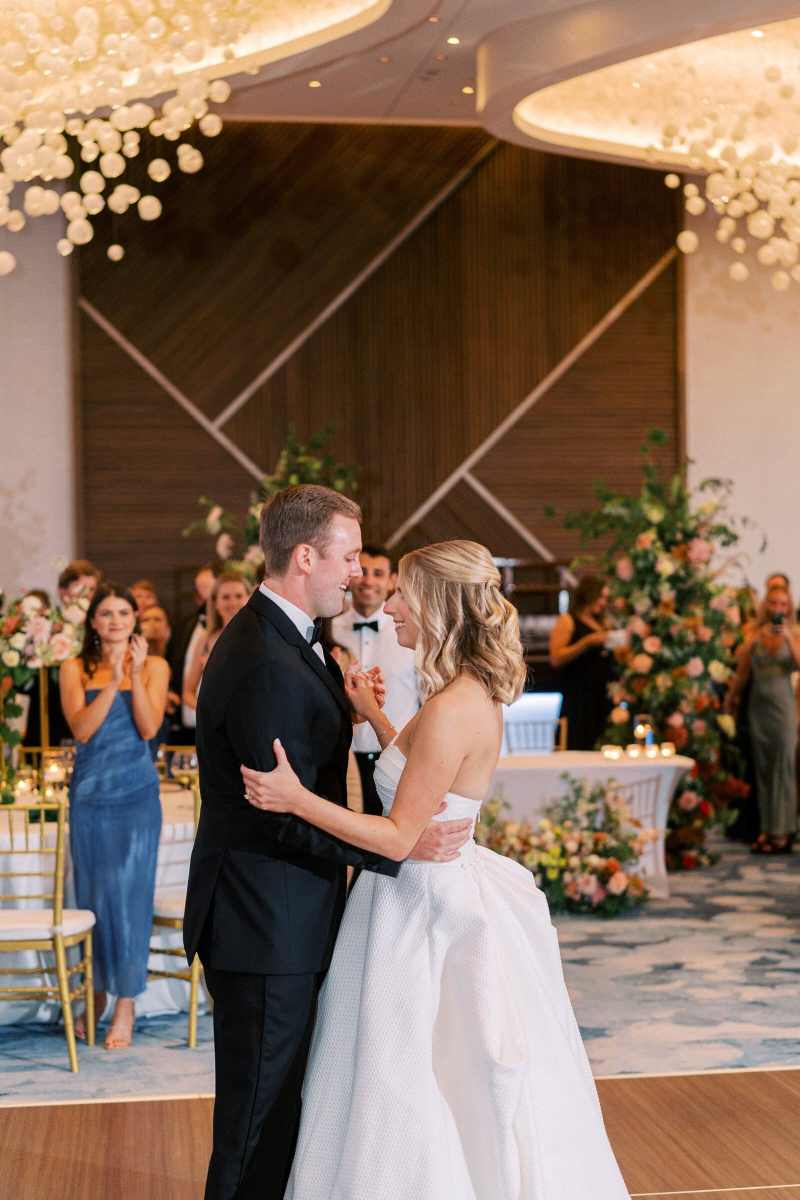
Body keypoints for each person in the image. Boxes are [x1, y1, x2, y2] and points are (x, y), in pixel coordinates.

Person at [242, 539, 630, 1200]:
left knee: (402, 1079)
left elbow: (397, 837)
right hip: (421, 889)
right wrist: (372, 713)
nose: (389, 604)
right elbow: (422, 776)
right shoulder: (460, 691)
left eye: (403, 595)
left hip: (417, 905)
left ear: (437, 605)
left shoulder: (456, 706)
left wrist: (295, 799)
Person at [184, 486, 472, 1200]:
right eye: (347, 556)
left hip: (286, 913)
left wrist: (363, 710)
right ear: (306, 555)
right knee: (256, 1121)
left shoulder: (285, 639)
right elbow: (275, 811)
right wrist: (396, 847)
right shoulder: (261, 656)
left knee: (282, 1114)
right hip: (264, 920)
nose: (356, 572)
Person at [60, 584, 169, 1047]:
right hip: (89, 797)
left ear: (134, 619)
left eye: (123, 612)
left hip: (137, 798)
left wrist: (137, 671)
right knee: (93, 899)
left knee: (130, 900)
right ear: (93, 622)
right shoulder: (73, 667)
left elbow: (148, 728)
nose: (115, 620)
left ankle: (126, 1002)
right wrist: (111, 681)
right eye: (106, 613)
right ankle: (97, 992)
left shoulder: (157, 666)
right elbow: (82, 729)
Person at [331, 544, 420, 814]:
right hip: (342, 762)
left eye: (378, 573)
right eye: (363, 572)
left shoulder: (409, 632)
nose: (369, 580)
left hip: (396, 759)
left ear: (392, 580)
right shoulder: (329, 630)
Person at [727, 582, 800, 853]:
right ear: (766, 605)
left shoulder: (794, 634)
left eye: (783, 604)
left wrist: (790, 639)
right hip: (758, 707)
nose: (778, 609)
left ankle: (784, 831)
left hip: (783, 707)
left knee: (784, 767)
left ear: (789, 607)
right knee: (763, 769)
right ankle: (767, 829)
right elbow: (741, 673)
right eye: (773, 603)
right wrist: (729, 703)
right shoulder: (754, 634)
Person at [549, 574, 616, 749]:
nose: (603, 603)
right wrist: (586, 643)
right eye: (601, 597)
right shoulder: (568, 620)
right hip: (578, 698)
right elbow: (556, 658)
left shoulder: (602, 622)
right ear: (589, 595)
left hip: (602, 697)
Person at [182, 570, 250, 714]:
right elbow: (188, 692)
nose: (233, 602)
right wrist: (209, 713)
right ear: (215, 602)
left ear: (249, 598)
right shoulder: (204, 640)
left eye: (239, 596)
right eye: (225, 597)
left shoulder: (263, 637)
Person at [170, 564, 217, 743]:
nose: (203, 598)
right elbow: (185, 686)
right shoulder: (188, 627)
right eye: (199, 591)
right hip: (189, 725)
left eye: (208, 590)